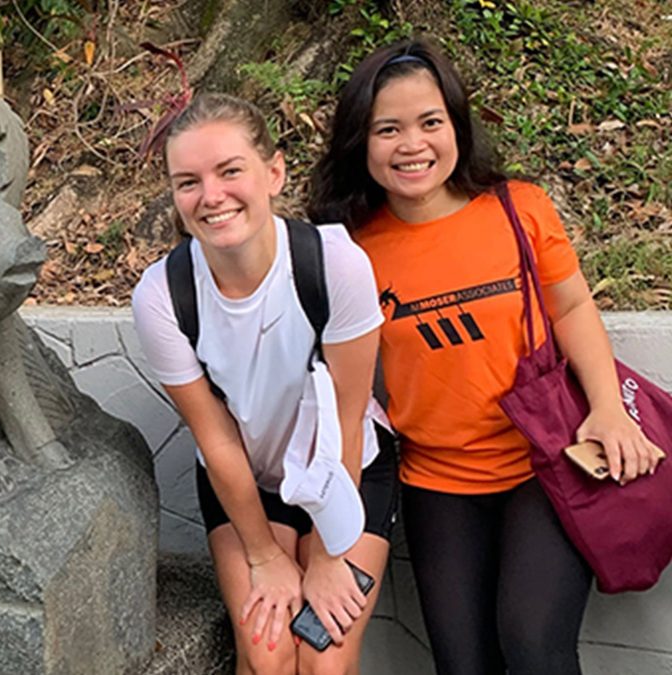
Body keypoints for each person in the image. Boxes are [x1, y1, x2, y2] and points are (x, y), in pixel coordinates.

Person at [307, 39, 664, 675]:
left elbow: (574, 309)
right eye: (388, 128)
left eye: (430, 123)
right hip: (436, 481)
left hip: (544, 464)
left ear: (457, 127)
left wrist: (609, 409)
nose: (412, 144)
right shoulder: (348, 250)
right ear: (361, 141)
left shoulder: (517, 208)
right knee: (462, 664)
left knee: (532, 646)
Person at [132, 93, 397, 675]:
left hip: (343, 472)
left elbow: (348, 419)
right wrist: (263, 556)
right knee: (268, 654)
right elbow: (217, 439)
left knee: (324, 661)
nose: (212, 197)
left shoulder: (334, 264)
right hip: (248, 483)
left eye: (230, 171)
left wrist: (328, 554)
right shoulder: (163, 296)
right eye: (188, 182)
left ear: (273, 172)